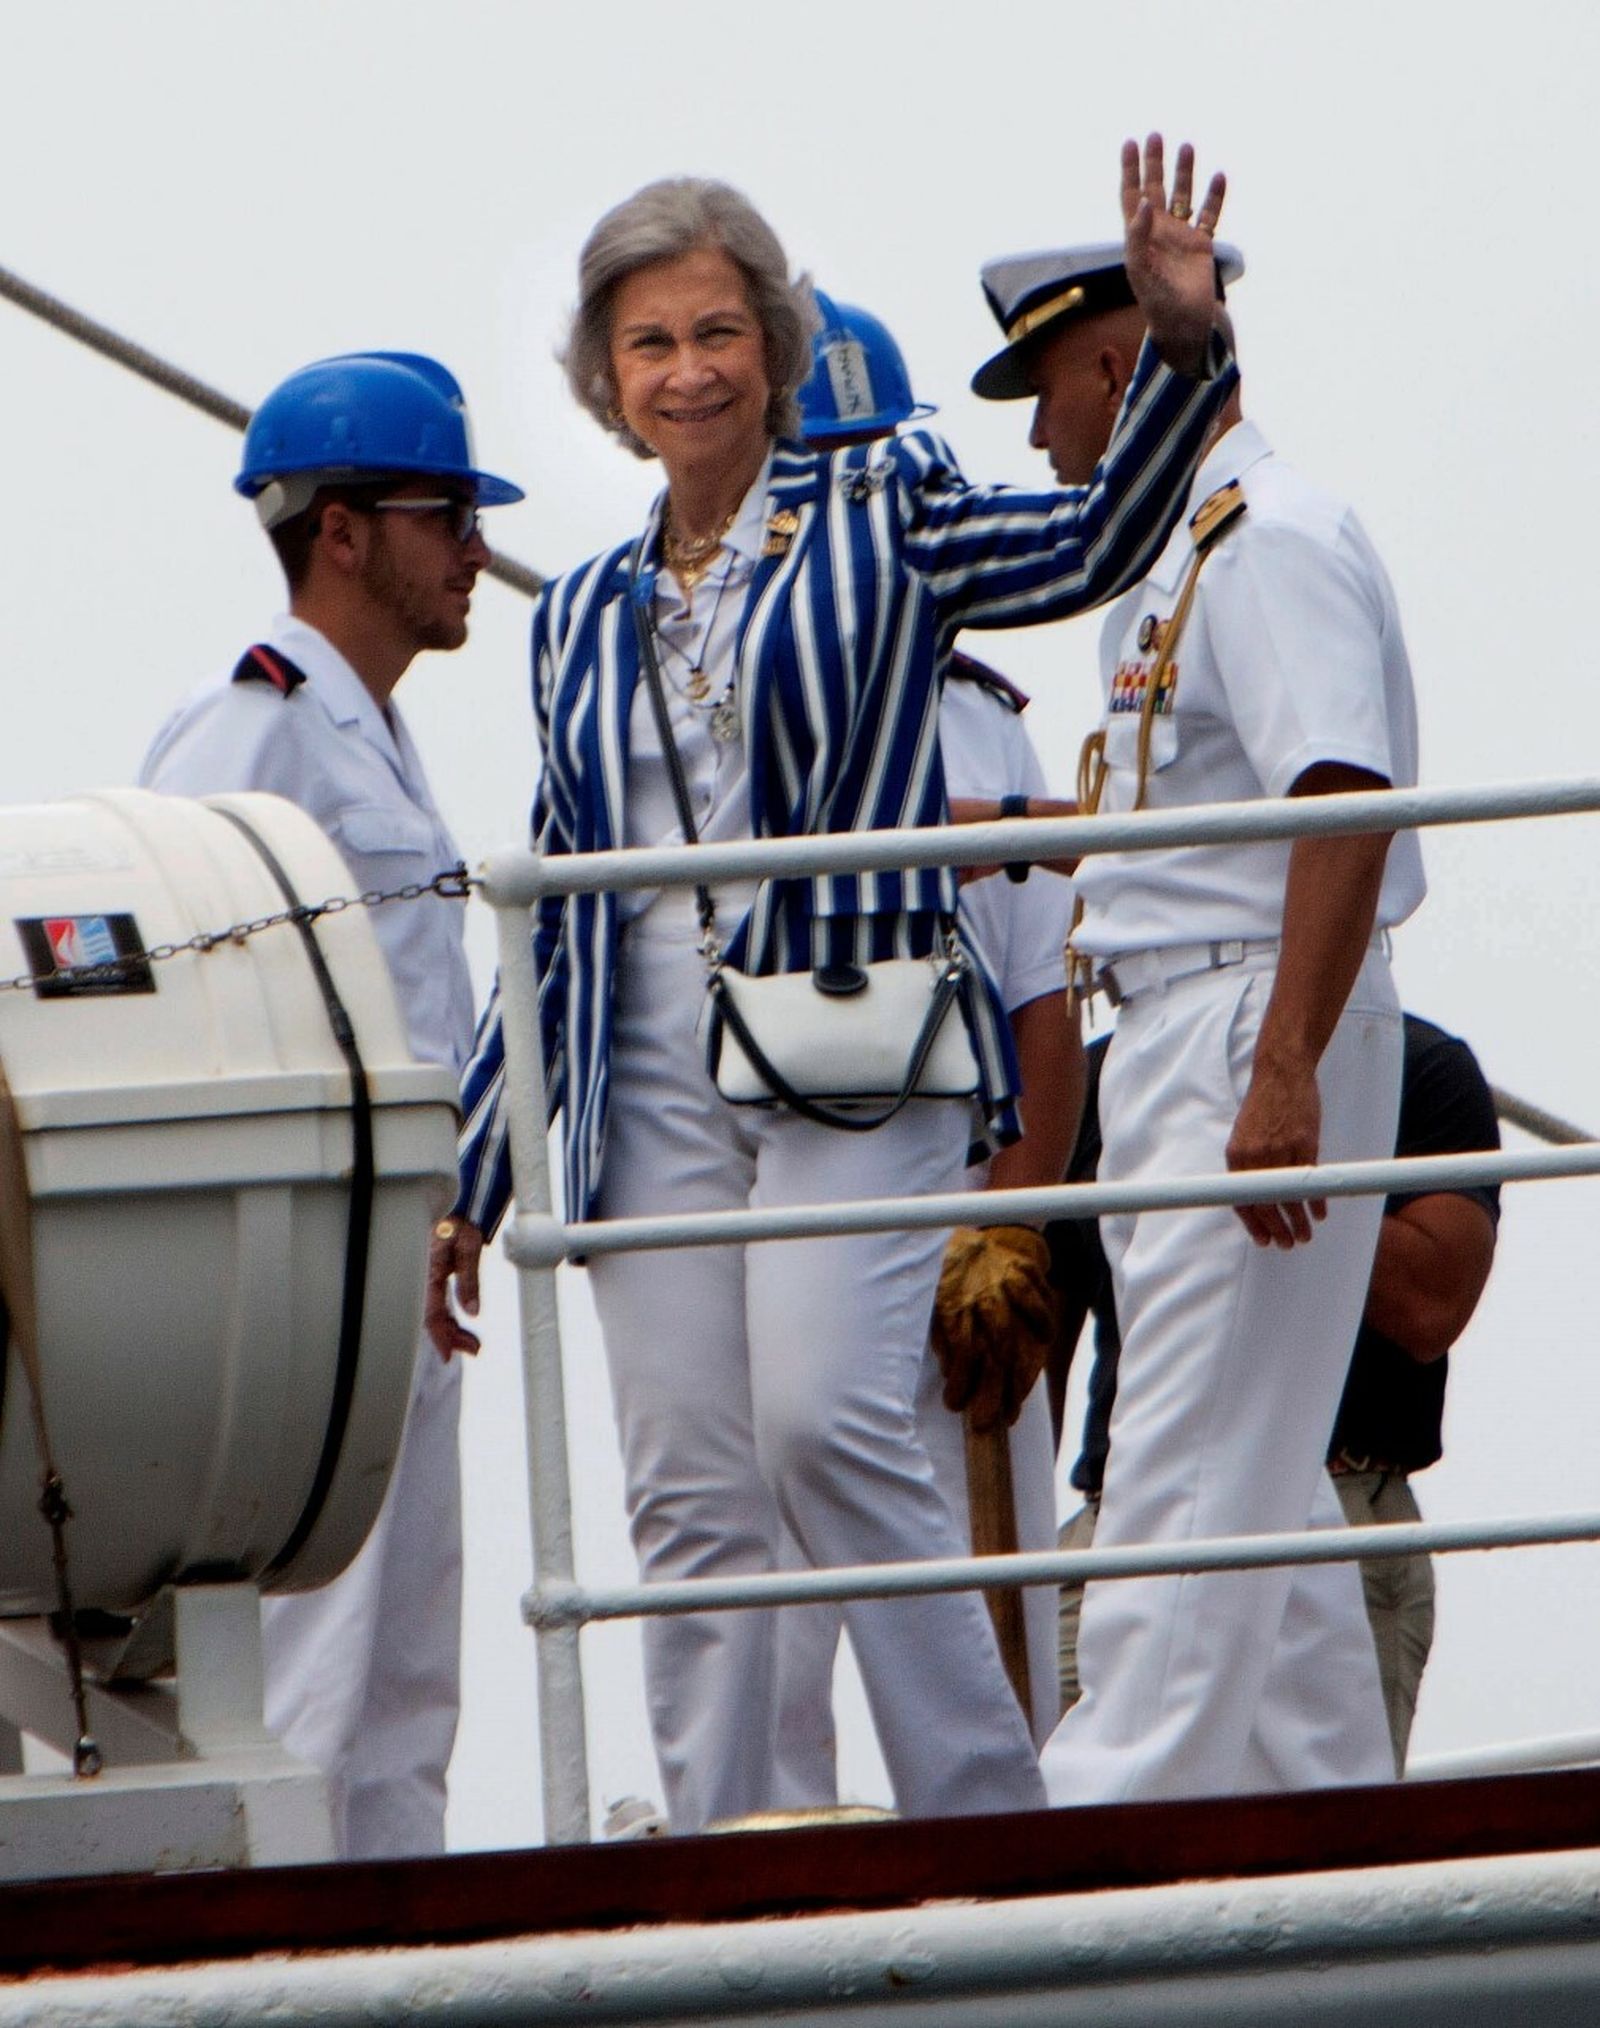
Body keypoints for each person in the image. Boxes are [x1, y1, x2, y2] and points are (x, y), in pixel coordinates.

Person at [433, 140, 1238, 1832]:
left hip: (848, 1039)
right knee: (693, 1498)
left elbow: (1096, 541)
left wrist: (1179, 348)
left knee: (826, 1424)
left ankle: (986, 1816)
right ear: (608, 377)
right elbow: (550, 902)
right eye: (652, 343)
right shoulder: (576, 616)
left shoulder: (885, 516)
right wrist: (476, 1171)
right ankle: (734, 1847)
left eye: (719, 331)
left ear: (776, 348)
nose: (689, 371)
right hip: (646, 1072)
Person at [970, 232, 1427, 1803]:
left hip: (1247, 1018)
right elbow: (1186, 829)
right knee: (1258, 1483)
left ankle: (1100, 1845)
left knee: (1176, 1469)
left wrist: (1283, 1065)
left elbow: (1344, 797)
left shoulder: (1268, 540)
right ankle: (1342, 1831)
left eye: (1046, 394)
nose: (1043, 440)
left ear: (1118, 370)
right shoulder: (1176, 563)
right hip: (1190, 1022)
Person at [140, 350, 523, 1858]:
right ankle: (290, 1941)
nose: (476, 551)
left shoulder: (366, 726)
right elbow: (174, 975)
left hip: (400, 1254)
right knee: (319, 1664)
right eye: (449, 517)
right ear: (345, 533)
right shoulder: (258, 718)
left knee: (409, 1672)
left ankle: (396, 1940)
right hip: (313, 1263)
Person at [768, 298, 1080, 1794]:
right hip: (778, 1207)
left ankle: (1005, 1868)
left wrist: (1011, 1228)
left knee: (984, 1605)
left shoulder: (980, 716)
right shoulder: (707, 691)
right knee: (772, 1620)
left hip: (952, 1217)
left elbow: (1041, 1003)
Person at [1049, 1019, 1500, 1772]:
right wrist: (1001, 1563)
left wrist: (1272, 1167)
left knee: (1321, 1830)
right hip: (1122, 1517)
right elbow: (1029, 1353)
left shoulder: (1422, 1067)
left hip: (1340, 1503)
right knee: (1053, 1816)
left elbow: (1432, 1305)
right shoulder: (1098, 1080)